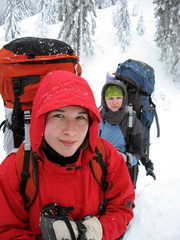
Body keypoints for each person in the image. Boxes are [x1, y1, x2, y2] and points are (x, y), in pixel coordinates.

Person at [0, 70, 135, 240]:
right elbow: (7, 230)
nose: (71, 131)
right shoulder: (15, 168)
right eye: (59, 115)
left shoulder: (105, 155)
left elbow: (122, 206)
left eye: (80, 117)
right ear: (42, 118)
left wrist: (97, 230)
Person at [99, 79, 144, 188]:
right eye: (110, 98)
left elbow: (138, 152)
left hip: (122, 172)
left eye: (118, 98)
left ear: (124, 99)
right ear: (104, 100)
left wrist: (126, 158)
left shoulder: (131, 121)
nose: (115, 102)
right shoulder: (97, 117)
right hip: (99, 170)